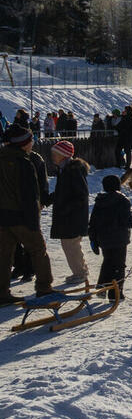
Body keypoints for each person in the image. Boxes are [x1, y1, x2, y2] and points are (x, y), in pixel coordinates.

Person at [0, 125, 55, 302]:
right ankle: (44, 288)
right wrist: (33, 221)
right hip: (21, 216)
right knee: (38, 250)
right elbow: (30, 195)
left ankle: (2, 293)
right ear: (23, 144)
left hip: (2, 216)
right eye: (31, 140)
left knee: (4, 255)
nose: (32, 143)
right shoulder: (25, 163)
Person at [87, 173, 132, 299]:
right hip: (119, 239)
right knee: (119, 266)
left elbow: (93, 222)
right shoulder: (122, 200)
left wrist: (93, 239)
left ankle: (102, 286)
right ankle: (115, 293)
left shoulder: (100, 201)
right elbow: (127, 221)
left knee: (108, 262)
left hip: (104, 240)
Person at [49, 140, 91, 286]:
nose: (53, 156)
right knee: (70, 245)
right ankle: (80, 271)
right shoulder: (64, 169)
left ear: (64, 155)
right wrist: (50, 199)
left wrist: (66, 208)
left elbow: (81, 194)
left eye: (55, 154)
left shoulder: (73, 170)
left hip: (73, 217)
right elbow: (64, 192)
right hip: (69, 216)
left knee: (71, 245)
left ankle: (80, 273)